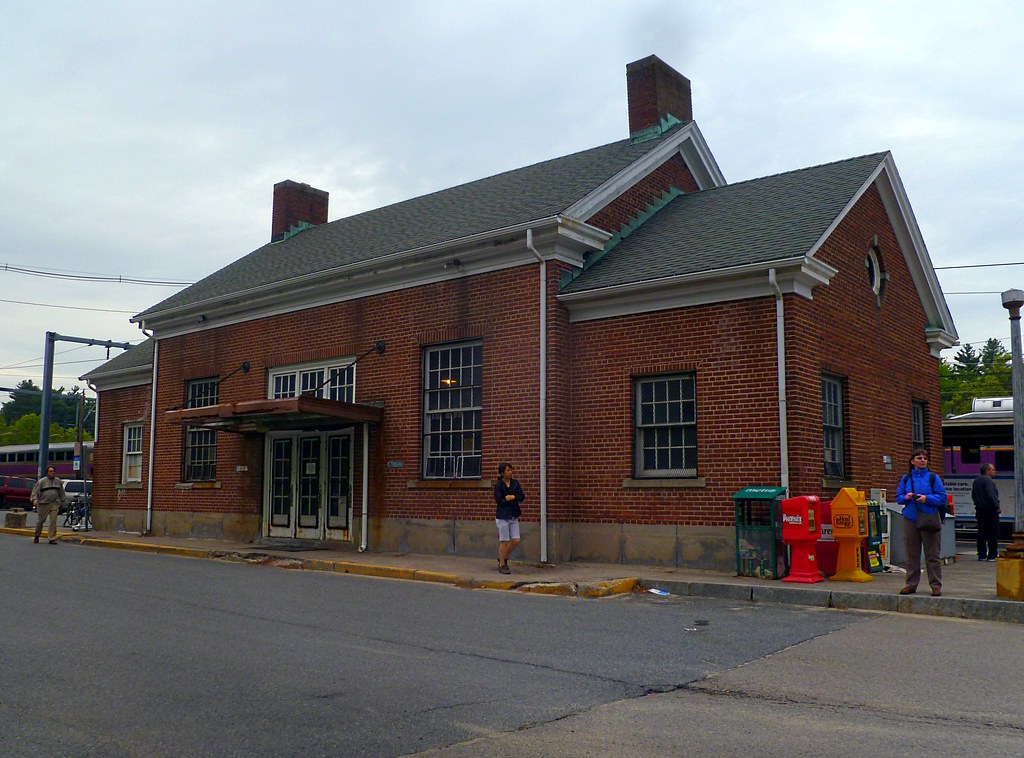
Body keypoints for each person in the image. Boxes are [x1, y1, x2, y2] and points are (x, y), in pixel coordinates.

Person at [895, 448, 946, 597]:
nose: (922, 460)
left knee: (932, 554)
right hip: (910, 518)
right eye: (919, 458)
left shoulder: (933, 478)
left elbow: (942, 497)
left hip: (929, 517)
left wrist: (927, 499)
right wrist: (906, 497)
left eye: (924, 458)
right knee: (912, 554)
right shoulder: (906, 478)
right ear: (912, 462)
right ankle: (911, 584)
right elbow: (898, 497)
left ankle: (935, 585)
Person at [493, 462, 525, 575]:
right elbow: (498, 500)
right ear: (502, 472)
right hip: (503, 516)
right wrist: (506, 499)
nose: (510, 472)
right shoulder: (499, 485)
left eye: (511, 470)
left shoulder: (515, 483)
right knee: (504, 540)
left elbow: (522, 496)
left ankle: (503, 556)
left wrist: (514, 497)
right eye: (508, 470)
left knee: (516, 540)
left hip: (513, 514)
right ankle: (502, 564)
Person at [971, 463, 1001, 562]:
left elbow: (973, 495)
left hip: (979, 509)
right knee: (993, 532)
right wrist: (996, 506)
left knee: (981, 533)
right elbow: (991, 495)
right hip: (990, 510)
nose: (994, 471)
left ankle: (982, 555)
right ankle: (992, 555)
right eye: (993, 469)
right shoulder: (988, 481)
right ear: (987, 471)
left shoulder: (976, 481)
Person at [32, 466, 66, 545]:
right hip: (43, 503)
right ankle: (37, 535)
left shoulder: (58, 481)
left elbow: (61, 492)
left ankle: (52, 538)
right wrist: (34, 499)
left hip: (54, 503)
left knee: (53, 521)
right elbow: (35, 491)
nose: (52, 473)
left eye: (53, 471)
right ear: (47, 472)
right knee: (41, 521)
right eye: (50, 471)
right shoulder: (42, 481)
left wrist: (62, 500)